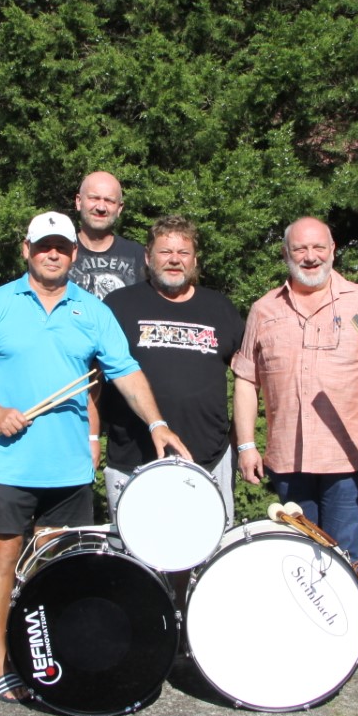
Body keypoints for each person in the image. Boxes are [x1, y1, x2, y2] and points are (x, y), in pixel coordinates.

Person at [0, 211, 189, 703]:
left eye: (61, 247)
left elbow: (124, 370)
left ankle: (48, 653)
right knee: (2, 558)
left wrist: (157, 423)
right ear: (27, 250)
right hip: (10, 460)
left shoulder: (91, 310)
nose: (52, 254)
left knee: (57, 566)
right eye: (44, 246)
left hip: (69, 466)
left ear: (74, 253)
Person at [231, 217, 358, 575]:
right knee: (298, 560)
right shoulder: (265, 309)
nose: (310, 256)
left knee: (344, 561)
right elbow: (246, 379)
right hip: (288, 460)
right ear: (286, 254)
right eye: (300, 249)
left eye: (318, 247)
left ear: (333, 250)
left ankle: (350, 611)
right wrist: (246, 445)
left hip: (345, 459)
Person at [100, 215, 243, 509]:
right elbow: (94, 376)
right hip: (133, 461)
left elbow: (247, 376)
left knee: (212, 540)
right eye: (165, 251)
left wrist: (242, 441)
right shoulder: (118, 305)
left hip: (209, 460)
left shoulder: (220, 307)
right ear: (148, 257)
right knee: (134, 541)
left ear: (194, 260)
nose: (174, 259)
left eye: (183, 252)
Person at [67, 170, 144, 299]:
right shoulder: (61, 253)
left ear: (119, 208)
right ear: (78, 201)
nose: (101, 208)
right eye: (94, 198)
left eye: (109, 201)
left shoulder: (138, 256)